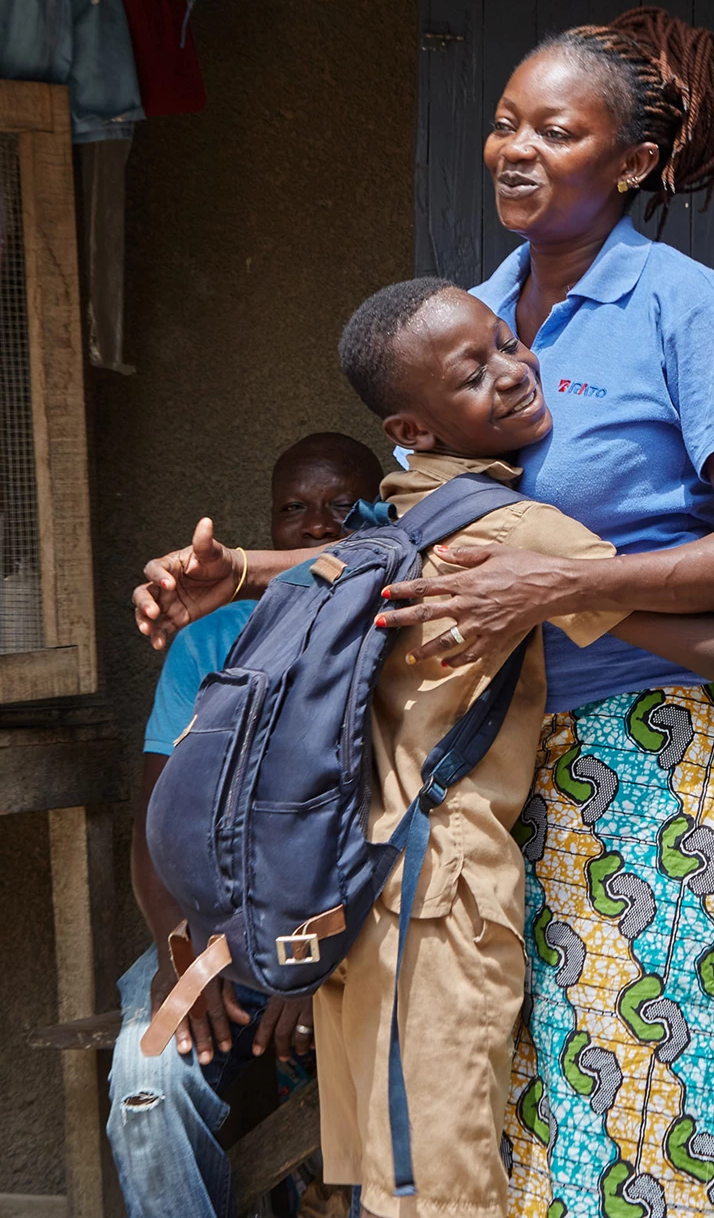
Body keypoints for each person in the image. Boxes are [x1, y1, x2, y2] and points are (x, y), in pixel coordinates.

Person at [132, 8, 714, 1218]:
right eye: (501, 123)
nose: (515, 150)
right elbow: (418, 536)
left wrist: (570, 582)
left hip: (654, 751)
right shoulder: (471, 316)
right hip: (483, 777)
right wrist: (251, 572)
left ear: (631, 163)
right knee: (531, 1117)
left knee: (662, 1099)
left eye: (556, 129)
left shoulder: (684, 309)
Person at [318, 276, 714, 1217]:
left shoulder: (410, 510)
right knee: (546, 1141)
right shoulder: (518, 526)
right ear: (413, 425)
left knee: (432, 1162)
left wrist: (238, 569)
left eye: (506, 343)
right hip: (460, 888)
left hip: (368, 878)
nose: (513, 369)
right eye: (473, 371)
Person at [110, 433, 383, 1218]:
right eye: (294, 508)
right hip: (220, 936)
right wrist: (179, 952)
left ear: (380, 512)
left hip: (370, 937)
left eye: (341, 506)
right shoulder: (209, 641)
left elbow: (409, 822)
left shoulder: (407, 630)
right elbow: (160, 821)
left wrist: (318, 957)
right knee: (149, 1088)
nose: (317, 525)